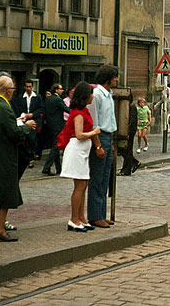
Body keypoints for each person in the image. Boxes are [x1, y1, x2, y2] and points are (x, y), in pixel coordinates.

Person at [0, 75, 35, 242]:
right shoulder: (3, 107)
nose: (13, 91)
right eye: (11, 88)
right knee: (5, 192)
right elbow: (13, 132)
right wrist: (26, 127)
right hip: (3, 156)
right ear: (6, 91)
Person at [58, 82, 101, 232]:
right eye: (91, 94)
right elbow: (79, 134)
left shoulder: (84, 111)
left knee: (84, 184)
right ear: (85, 96)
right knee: (79, 186)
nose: (93, 97)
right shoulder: (78, 114)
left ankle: (81, 217)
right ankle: (74, 219)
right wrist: (94, 133)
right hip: (76, 150)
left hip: (82, 152)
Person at [87, 65, 118, 229]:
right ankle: (94, 215)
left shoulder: (109, 94)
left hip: (108, 136)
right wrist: (98, 145)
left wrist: (111, 142)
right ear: (108, 78)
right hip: (100, 136)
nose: (117, 79)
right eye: (115, 77)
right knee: (97, 178)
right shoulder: (97, 95)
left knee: (105, 178)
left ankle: (102, 214)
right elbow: (94, 122)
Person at [11, 80, 44, 172]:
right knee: (24, 138)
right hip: (23, 120)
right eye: (27, 86)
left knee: (32, 138)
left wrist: (32, 114)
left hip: (33, 120)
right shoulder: (20, 97)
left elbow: (41, 108)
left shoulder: (37, 97)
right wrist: (23, 116)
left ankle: (31, 158)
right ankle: (26, 156)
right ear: (24, 87)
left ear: (32, 87)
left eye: (30, 86)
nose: (28, 88)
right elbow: (18, 108)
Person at [42, 83, 70, 176]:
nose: (62, 91)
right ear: (56, 90)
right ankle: (47, 167)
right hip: (57, 125)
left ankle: (59, 168)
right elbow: (66, 109)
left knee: (56, 144)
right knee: (56, 146)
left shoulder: (48, 99)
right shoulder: (58, 99)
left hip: (50, 124)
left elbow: (45, 110)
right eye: (61, 89)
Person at [119, 95, 140, 176]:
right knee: (125, 149)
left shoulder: (132, 106)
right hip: (128, 131)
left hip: (129, 132)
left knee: (127, 149)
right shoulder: (129, 105)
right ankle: (134, 163)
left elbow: (131, 121)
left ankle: (127, 169)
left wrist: (127, 132)